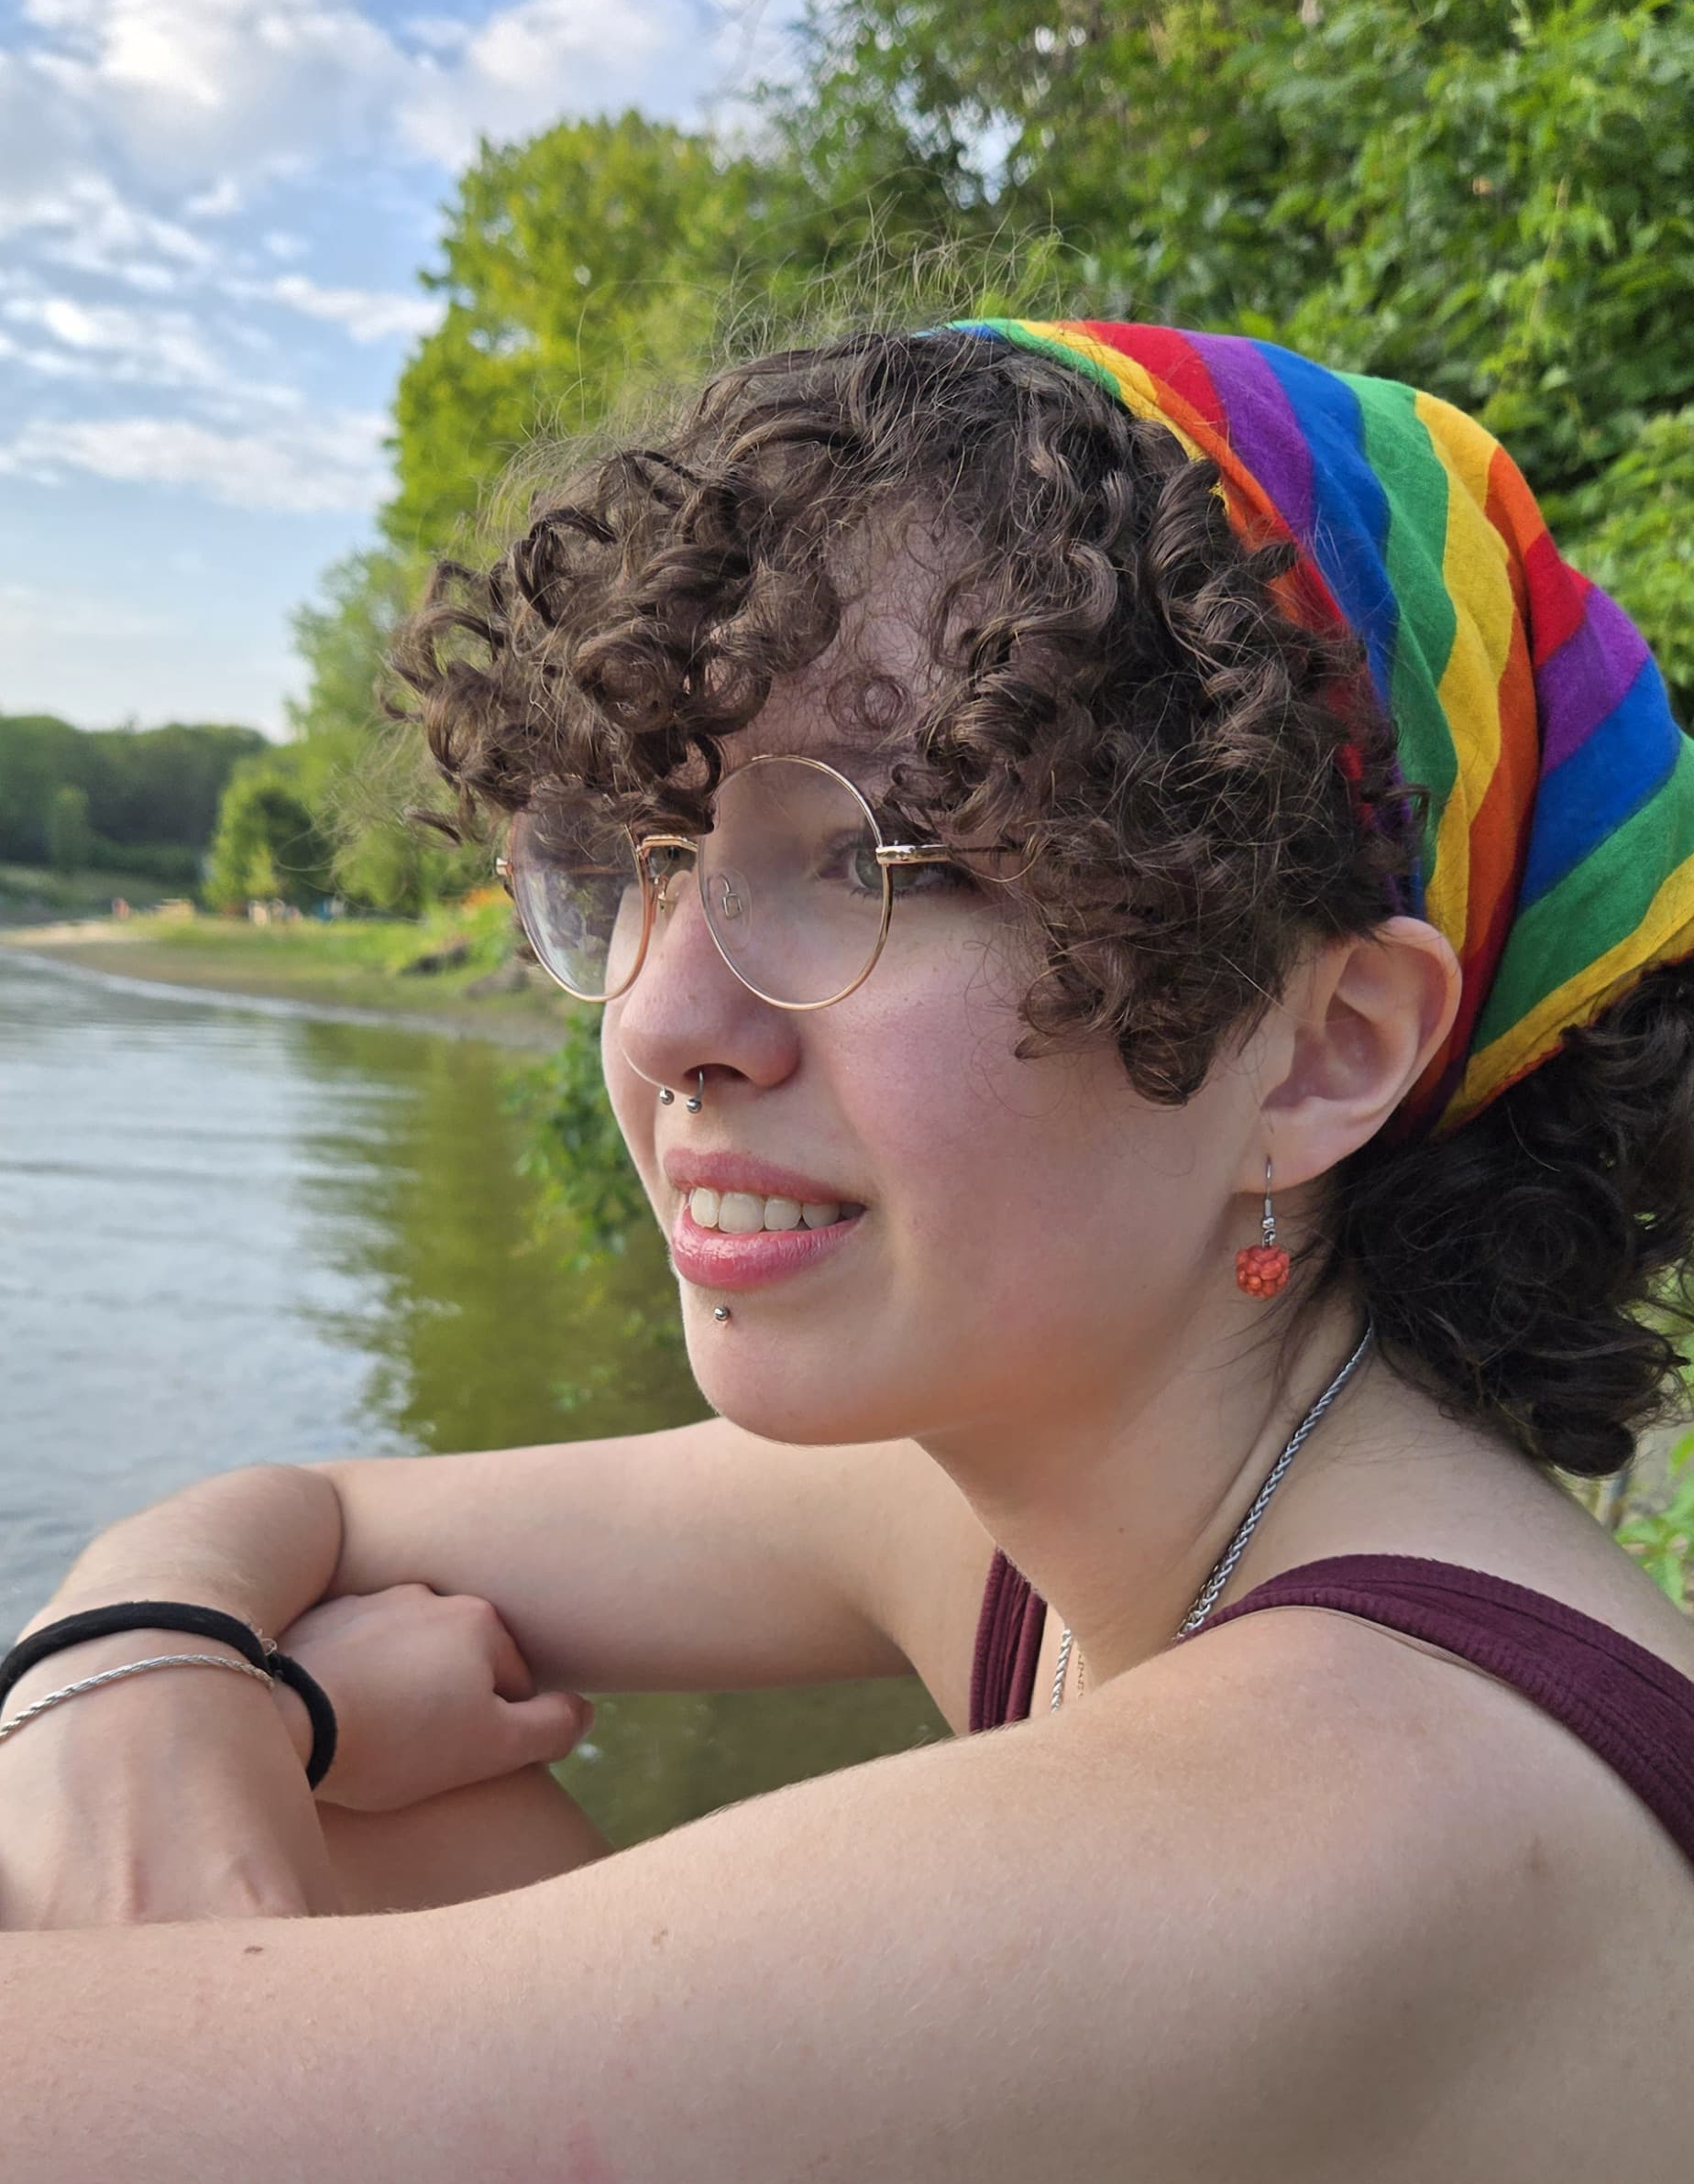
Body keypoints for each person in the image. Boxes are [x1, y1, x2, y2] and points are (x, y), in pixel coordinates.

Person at [4, 319, 1694, 2181]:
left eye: (869, 862)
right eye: (655, 852)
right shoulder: (1084, 1486)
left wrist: (154, 1723)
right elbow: (306, 1516)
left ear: (1318, 1049)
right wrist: (162, 1653)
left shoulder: (1347, 1814)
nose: (660, 1023)